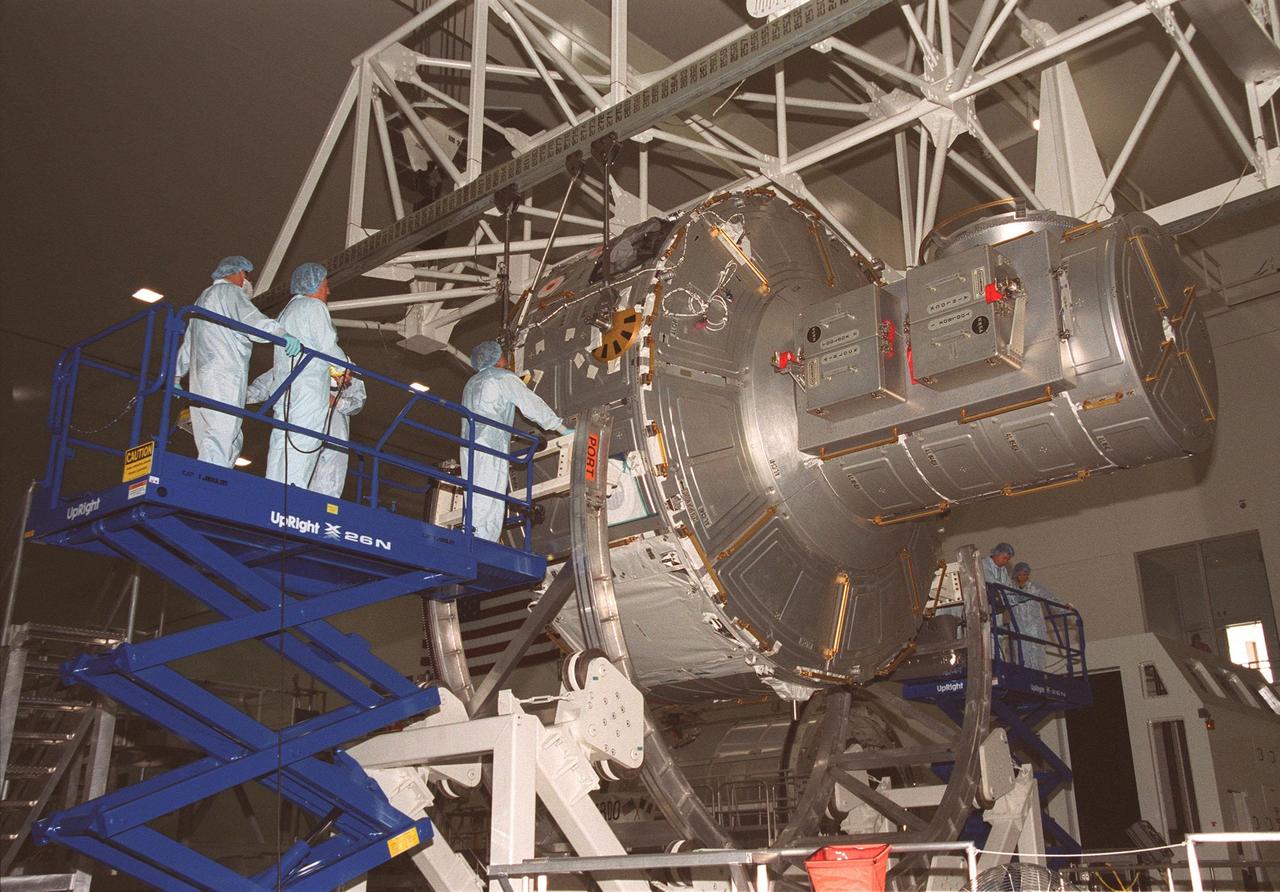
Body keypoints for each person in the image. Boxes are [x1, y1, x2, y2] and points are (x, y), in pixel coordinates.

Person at [175, 255, 301, 467]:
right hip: (225, 373)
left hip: (201, 377)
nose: (246, 281)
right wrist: (280, 333)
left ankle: (211, 476)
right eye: (246, 275)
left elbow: (190, 342)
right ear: (238, 272)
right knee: (223, 433)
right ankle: (211, 482)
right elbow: (251, 319)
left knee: (214, 434)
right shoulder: (229, 292)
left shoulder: (203, 298)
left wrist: (177, 373)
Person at [460, 340, 571, 542]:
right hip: (490, 445)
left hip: (469, 447)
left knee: (474, 494)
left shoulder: (471, 384)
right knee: (490, 495)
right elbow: (530, 404)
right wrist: (560, 427)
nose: (506, 358)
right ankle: (482, 543)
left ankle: (471, 535)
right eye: (503, 354)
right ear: (496, 359)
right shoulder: (502, 378)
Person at [265, 263, 342, 488]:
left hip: (285, 389)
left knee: (281, 445)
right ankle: (292, 497)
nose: (328, 291)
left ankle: (272, 492)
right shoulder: (314, 307)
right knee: (303, 444)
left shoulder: (287, 311)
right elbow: (328, 346)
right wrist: (343, 371)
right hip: (308, 391)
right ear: (315, 285)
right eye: (326, 286)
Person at [247, 361, 365, 498]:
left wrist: (337, 402)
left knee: (330, 479)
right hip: (303, 425)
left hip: (334, 434)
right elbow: (269, 382)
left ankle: (319, 513)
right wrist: (237, 397)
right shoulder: (300, 357)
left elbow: (358, 401)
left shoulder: (346, 363)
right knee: (294, 472)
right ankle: (287, 505)